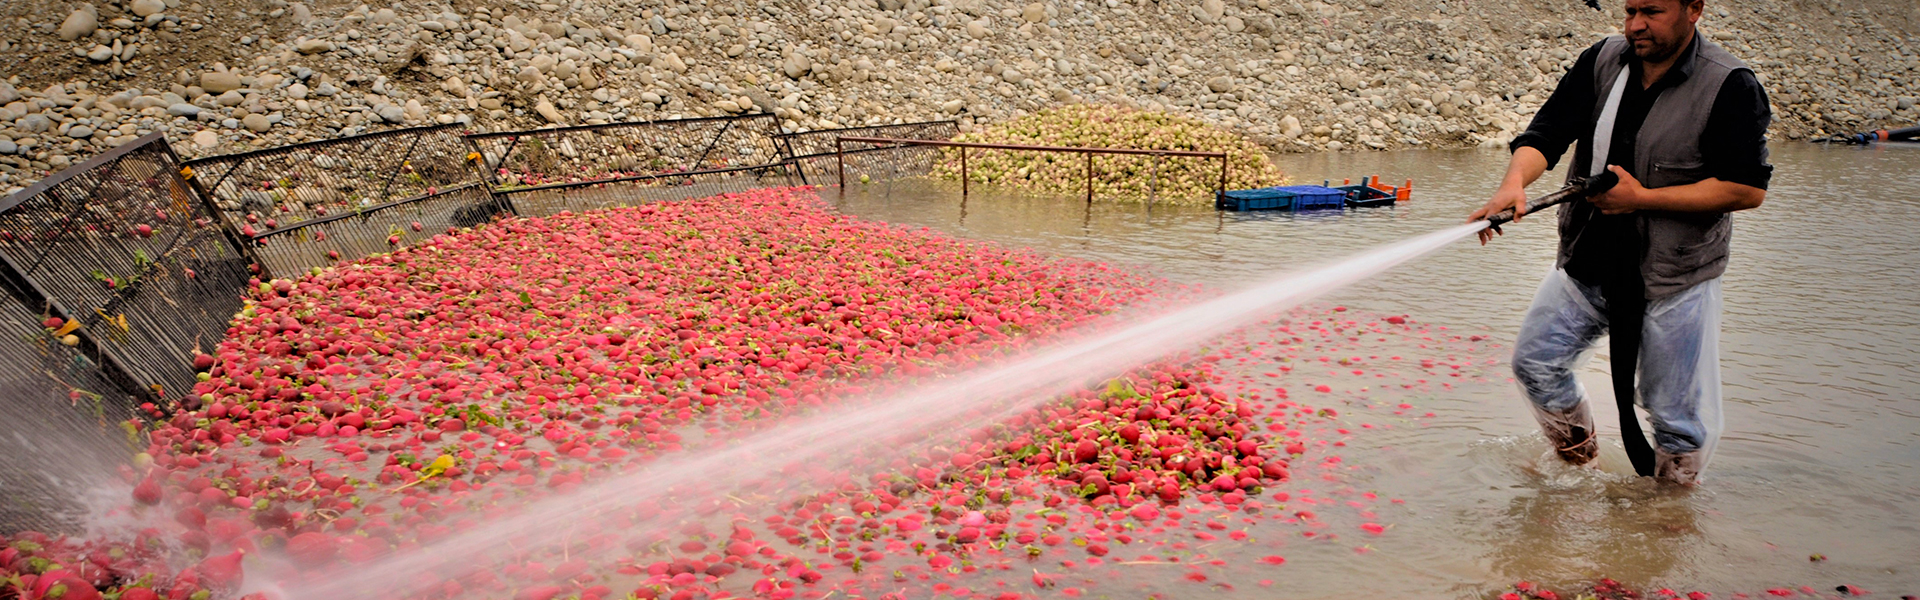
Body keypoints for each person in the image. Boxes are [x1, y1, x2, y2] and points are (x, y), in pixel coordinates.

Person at [1466, 0, 1771, 485]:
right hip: (1588, 258)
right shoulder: (1602, 59)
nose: (1635, 26)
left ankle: (1667, 522)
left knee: (1675, 420)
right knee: (1536, 364)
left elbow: (1746, 189)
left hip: (1674, 277)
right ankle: (1580, 469)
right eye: (1629, 11)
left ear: (1694, 9)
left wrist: (1644, 198)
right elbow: (1546, 134)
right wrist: (1513, 183)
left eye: (1651, 11)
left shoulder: (1729, 84)